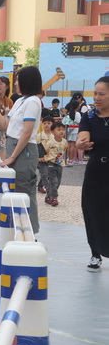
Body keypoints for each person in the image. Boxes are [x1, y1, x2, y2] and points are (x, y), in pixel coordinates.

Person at [0, 65, 43, 233]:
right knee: (16, 188)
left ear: (28, 81)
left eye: (18, 80)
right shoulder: (20, 101)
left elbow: (27, 132)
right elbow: (4, 125)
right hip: (14, 145)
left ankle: (30, 232)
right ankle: (17, 229)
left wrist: (12, 156)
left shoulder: (33, 101)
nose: (15, 83)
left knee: (24, 191)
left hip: (24, 149)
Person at [77, 76, 109, 272]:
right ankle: (95, 253)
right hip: (95, 171)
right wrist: (81, 144)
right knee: (92, 211)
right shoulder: (89, 117)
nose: (96, 97)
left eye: (101, 94)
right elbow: (83, 137)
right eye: (95, 93)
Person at [39, 121, 67, 207]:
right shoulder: (50, 142)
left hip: (60, 164)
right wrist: (42, 158)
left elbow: (64, 150)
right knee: (53, 182)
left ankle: (48, 196)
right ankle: (54, 198)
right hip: (51, 164)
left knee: (57, 183)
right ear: (53, 132)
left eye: (63, 129)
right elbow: (44, 150)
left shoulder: (65, 142)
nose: (61, 131)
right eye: (59, 130)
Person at [36, 116, 53, 195]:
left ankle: (40, 186)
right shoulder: (39, 136)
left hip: (51, 158)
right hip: (41, 158)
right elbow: (37, 147)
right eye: (44, 123)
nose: (46, 125)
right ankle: (49, 189)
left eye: (49, 123)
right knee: (44, 174)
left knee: (49, 173)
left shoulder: (54, 136)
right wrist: (38, 157)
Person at [63, 100, 82, 165]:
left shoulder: (69, 113)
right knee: (73, 145)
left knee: (69, 145)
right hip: (75, 130)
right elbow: (79, 122)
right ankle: (72, 159)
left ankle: (68, 158)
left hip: (69, 130)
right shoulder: (77, 114)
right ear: (77, 106)